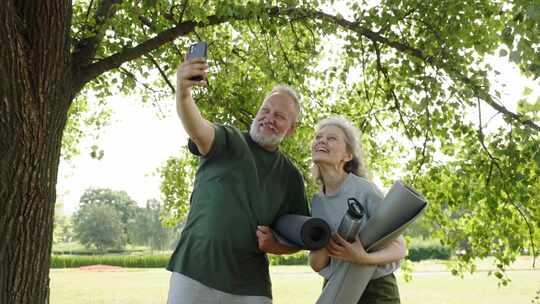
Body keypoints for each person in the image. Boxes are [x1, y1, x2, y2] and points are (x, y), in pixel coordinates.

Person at [166, 56, 309, 304]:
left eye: (279, 116)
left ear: (292, 129)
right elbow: (197, 126)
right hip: (194, 270)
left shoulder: (291, 177)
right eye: (265, 110)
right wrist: (183, 92)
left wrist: (276, 245)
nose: (269, 118)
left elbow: (302, 238)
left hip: (251, 284)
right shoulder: (229, 140)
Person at [308, 116, 407, 304]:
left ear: (347, 156)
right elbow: (317, 263)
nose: (321, 140)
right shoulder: (316, 202)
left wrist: (362, 257)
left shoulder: (366, 190)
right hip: (336, 287)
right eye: (318, 137)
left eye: (331, 138)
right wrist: (325, 244)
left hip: (376, 289)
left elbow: (400, 248)